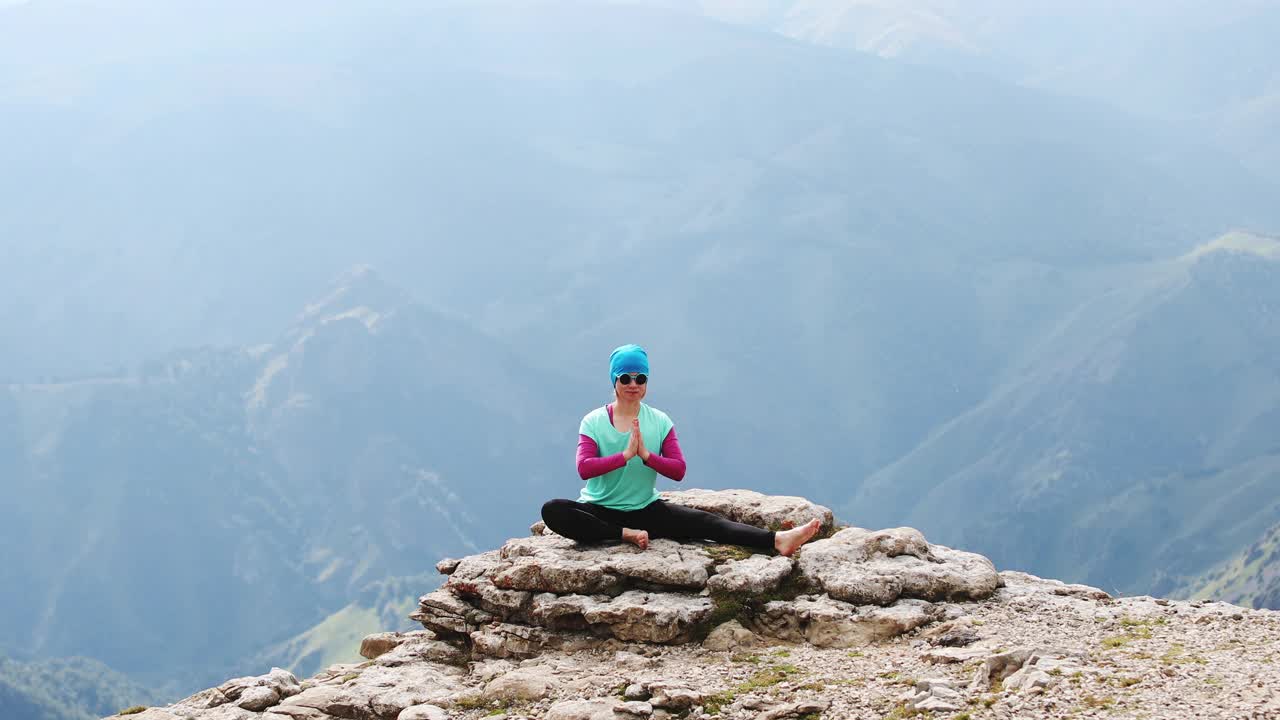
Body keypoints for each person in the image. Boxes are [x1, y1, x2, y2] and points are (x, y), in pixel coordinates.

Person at [540, 344, 821, 556]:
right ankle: (624, 535)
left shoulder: (659, 421)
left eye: (641, 378)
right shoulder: (594, 421)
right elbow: (584, 467)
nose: (633, 385)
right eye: (625, 378)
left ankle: (777, 540)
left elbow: (678, 470)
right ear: (614, 381)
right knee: (553, 510)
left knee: (708, 523)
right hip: (599, 509)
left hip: (645, 510)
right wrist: (624, 456)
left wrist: (646, 456)